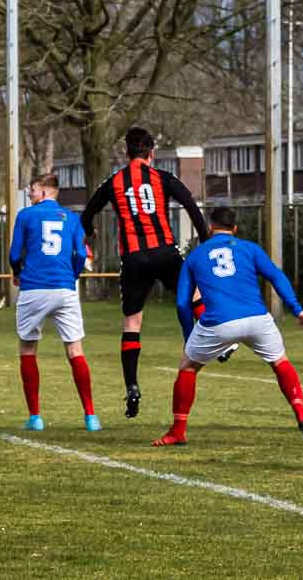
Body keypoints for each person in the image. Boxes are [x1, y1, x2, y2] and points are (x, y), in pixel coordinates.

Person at [152, 206, 303, 448]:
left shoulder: (196, 255)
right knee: (280, 362)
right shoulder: (250, 249)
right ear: (235, 229)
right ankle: (302, 415)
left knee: (187, 368)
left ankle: (178, 431)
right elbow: (276, 276)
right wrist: (297, 309)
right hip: (257, 319)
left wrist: (189, 336)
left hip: (219, 323)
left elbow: (181, 303)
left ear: (210, 228)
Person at [79, 127, 210, 418]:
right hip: (164, 252)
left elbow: (87, 214)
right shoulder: (163, 178)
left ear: (127, 153)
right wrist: (205, 242)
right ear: (151, 153)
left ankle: (132, 386)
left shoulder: (114, 182)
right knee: (195, 295)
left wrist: (90, 231)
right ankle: (220, 343)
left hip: (134, 259)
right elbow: (191, 206)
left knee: (132, 321)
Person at [9, 173, 100, 431]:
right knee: (75, 351)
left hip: (34, 288)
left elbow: (15, 253)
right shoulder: (72, 218)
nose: (29, 194)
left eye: (32, 190)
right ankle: (91, 416)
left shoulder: (26, 216)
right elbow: (81, 254)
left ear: (46, 192)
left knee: (28, 349)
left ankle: (35, 417)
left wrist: (17, 272)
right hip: (65, 289)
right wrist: (71, 276)